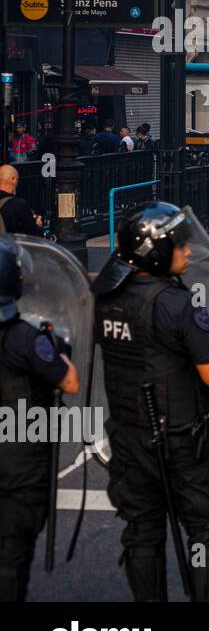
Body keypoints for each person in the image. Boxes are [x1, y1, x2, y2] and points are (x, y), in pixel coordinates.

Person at [92, 203, 209, 601]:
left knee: (142, 529)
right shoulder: (178, 304)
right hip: (179, 440)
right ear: (155, 252)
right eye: (179, 246)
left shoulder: (107, 297)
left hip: (127, 433)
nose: (187, 253)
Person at [0, 234, 80, 601]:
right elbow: (71, 382)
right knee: (12, 559)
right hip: (19, 461)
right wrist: (57, 348)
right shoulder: (24, 339)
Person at [0, 165, 43, 236]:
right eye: (17, 180)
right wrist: (38, 225)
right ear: (13, 179)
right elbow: (35, 236)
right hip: (13, 246)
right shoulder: (19, 205)